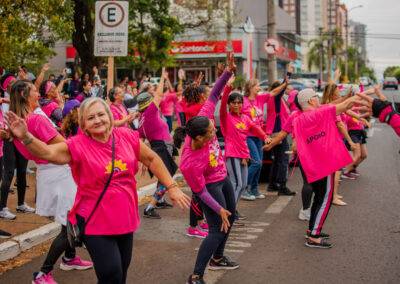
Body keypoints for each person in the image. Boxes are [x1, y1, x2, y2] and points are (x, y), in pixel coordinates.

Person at [6, 96, 190, 284]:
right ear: (83, 124)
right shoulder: (77, 145)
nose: (97, 120)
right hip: (95, 221)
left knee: (121, 273)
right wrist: (26, 137)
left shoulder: (126, 136)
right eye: (91, 117)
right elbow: (47, 152)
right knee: (111, 274)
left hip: (126, 218)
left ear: (109, 117)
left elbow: (151, 159)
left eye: (101, 114)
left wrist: (172, 186)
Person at [7, 80, 93, 283]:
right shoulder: (36, 119)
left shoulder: (19, 122)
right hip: (58, 172)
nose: (38, 94)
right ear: (23, 95)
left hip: (47, 172)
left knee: (70, 218)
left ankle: (70, 258)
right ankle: (43, 273)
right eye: (35, 91)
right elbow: (62, 145)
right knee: (70, 222)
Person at [174, 52, 238, 284]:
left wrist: (228, 72)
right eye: (211, 133)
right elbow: (199, 193)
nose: (215, 133)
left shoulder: (203, 118)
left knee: (231, 217)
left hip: (223, 178)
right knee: (216, 229)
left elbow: (213, 93)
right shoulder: (190, 162)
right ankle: (195, 275)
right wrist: (218, 209)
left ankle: (218, 258)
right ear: (199, 139)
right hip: (210, 187)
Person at [291, 89, 365, 248]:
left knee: (319, 197)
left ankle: (312, 228)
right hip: (325, 163)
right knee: (325, 198)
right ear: (311, 101)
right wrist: (365, 95)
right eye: (316, 97)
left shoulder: (299, 119)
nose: (318, 100)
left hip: (314, 164)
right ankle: (314, 236)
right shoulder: (319, 113)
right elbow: (345, 106)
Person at [220, 75, 271, 224]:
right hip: (232, 154)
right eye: (233, 103)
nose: (236, 105)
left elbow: (255, 129)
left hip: (243, 154)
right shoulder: (226, 117)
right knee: (236, 184)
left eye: (239, 103)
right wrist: (228, 86)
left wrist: (265, 137)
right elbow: (222, 103)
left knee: (242, 185)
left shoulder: (244, 118)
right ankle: (229, 214)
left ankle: (231, 210)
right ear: (229, 104)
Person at [137, 68, 180, 219]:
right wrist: (162, 78)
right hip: (162, 146)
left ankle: (160, 200)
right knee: (167, 176)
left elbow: (140, 142)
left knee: (164, 175)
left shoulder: (141, 120)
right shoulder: (149, 112)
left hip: (158, 147)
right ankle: (150, 206)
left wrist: (144, 158)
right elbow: (159, 95)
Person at [241, 70, 290, 199]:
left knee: (260, 164)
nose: (259, 88)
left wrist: (285, 84)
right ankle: (244, 188)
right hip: (248, 136)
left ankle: (254, 189)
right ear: (251, 87)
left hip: (259, 136)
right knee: (256, 163)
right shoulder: (243, 101)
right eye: (257, 86)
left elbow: (274, 92)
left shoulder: (260, 98)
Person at [0, 77, 34, 220]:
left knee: (21, 170)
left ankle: (21, 204)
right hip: (8, 140)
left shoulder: (19, 103)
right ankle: (2, 208)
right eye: (11, 83)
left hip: (19, 139)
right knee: (8, 172)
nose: (14, 85)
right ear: (5, 87)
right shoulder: (2, 102)